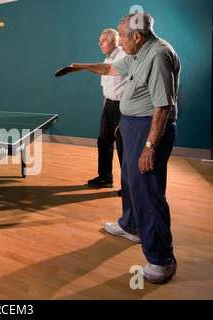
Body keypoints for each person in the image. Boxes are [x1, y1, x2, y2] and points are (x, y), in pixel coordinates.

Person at [70, 12, 180, 283]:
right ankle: (130, 225)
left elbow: (163, 106)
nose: (119, 41)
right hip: (133, 125)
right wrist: (83, 66)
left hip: (147, 129)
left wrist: (150, 146)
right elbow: (111, 69)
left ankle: (162, 260)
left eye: (121, 36)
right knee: (130, 180)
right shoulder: (138, 53)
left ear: (137, 36)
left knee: (148, 191)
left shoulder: (158, 55)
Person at [88, 29, 127, 191]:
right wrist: (105, 108)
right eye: (99, 40)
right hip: (109, 106)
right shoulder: (106, 59)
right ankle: (105, 177)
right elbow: (107, 88)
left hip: (122, 107)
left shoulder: (124, 56)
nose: (100, 43)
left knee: (124, 147)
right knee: (103, 141)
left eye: (103, 40)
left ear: (115, 40)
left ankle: (128, 186)